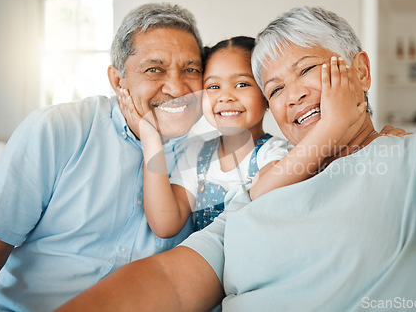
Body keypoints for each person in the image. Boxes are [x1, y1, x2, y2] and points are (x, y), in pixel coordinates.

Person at [58, 5, 416, 312]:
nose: (294, 95)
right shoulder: (257, 193)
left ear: (360, 72)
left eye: (307, 70)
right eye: (276, 87)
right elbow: (171, 281)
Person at [0, 2, 205, 311]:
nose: (177, 87)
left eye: (191, 69)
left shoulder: (209, 152)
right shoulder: (56, 129)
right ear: (118, 81)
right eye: (154, 69)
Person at [118, 36, 292, 237]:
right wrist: (150, 141)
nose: (225, 97)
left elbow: (264, 199)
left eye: (242, 84)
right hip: (204, 265)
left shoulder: (275, 153)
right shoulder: (197, 154)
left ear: (266, 92)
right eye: (213, 87)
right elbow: (165, 225)